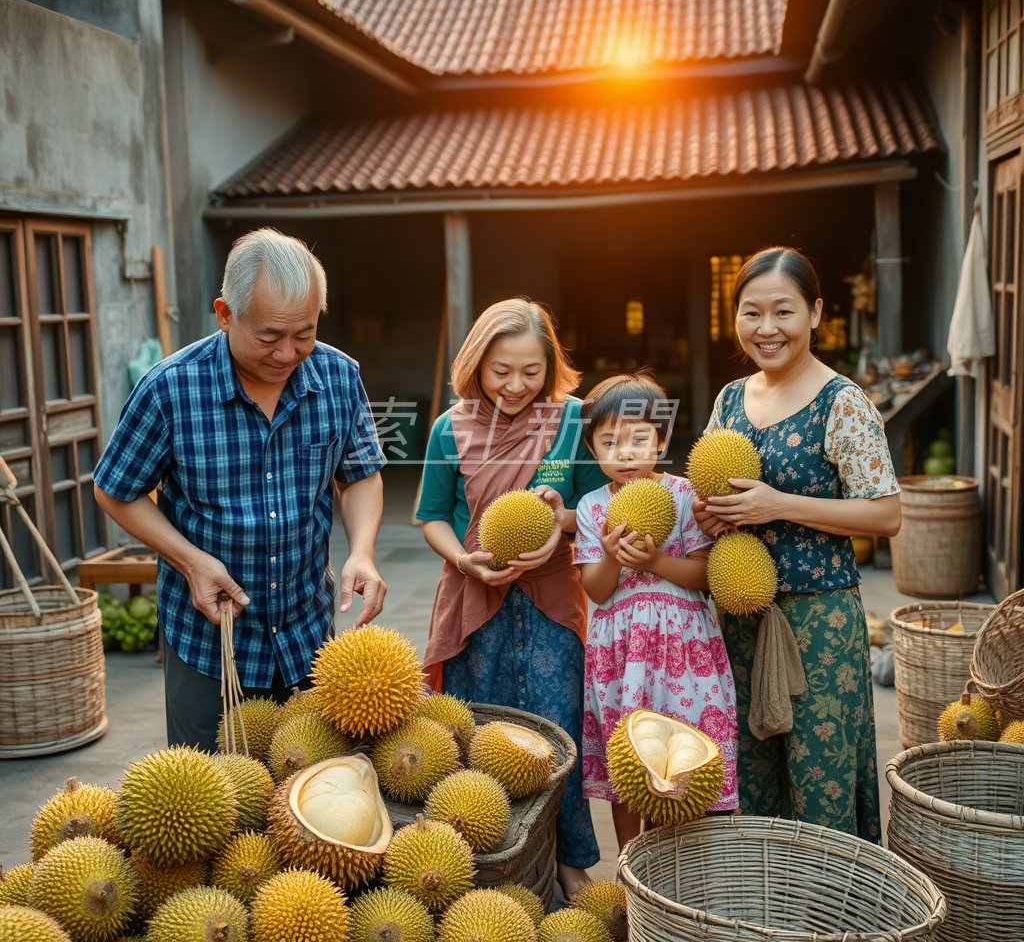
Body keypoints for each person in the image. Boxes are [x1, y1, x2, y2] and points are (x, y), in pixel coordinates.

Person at [93, 228, 386, 751]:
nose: (288, 352)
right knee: (212, 802)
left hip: (306, 633)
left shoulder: (339, 377)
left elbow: (360, 473)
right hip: (208, 641)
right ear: (225, 313)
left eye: (305, 333)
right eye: (270, 335)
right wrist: (189, 561)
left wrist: (361, 551)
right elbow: (116, 491)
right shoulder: (170, 389)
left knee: (309, 794)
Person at [694, 246, 901, 843]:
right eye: (750, 312)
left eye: (782, 311)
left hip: (820, 622)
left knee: (823, 779)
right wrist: (713, 517)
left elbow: (887, 514)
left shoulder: (843, 403)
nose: (766, 328)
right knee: (753, 779)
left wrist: (775, 504)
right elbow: (712, 493)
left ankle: (832, 917)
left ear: (814, 313)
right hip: (741, 617)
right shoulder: (730, 400)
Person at [416, 298, 607, 900]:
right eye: (502, 371)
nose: (516, 385)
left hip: (552, 602)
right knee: (482, 737)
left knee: (558, 733)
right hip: (476, 602)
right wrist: (462, 558)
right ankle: (485, 862)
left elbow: (600, 510)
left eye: (531, 371)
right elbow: (430, 518)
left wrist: (561, 526)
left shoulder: (575, 421)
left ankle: (569, 862)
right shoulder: (450, 427)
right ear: (477, 363)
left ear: (550, 367)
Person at [572, 372, 738, 849]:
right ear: (593, 449)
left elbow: (704, 577)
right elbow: (597, 591)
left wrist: (655, 562)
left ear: (662, 440)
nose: (624, 453)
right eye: (609, 442)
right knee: (628, 755)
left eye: (638, 439)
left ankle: (672, 863)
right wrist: (609, 555)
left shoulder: (685, 495)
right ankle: (629, 862)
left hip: (682, 646)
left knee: (681, 758)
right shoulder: (591, 508)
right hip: (620, 652)